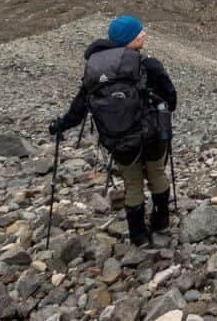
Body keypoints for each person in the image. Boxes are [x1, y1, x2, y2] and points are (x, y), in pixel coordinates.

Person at [49, 16, 177, 246]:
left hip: (118, 139)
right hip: (151, 135)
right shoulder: (148, 64)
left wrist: (61, 125)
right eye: (139, 32)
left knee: (132, 182)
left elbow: (79, 108)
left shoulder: (96, 71)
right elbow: (171, 98)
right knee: (157, 174)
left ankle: (138, 235)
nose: (144, 34)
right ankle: (161, 222)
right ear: (128, 38)